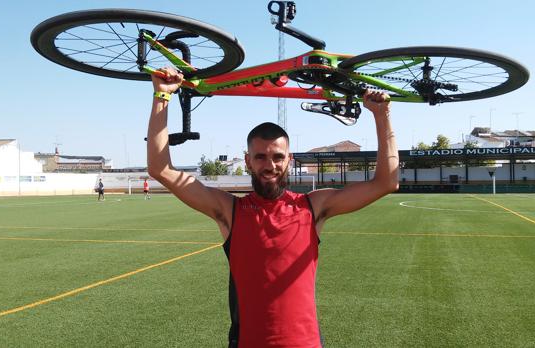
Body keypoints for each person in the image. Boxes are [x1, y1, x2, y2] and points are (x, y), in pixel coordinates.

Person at [147, 68, 399, 348]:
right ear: (248, 160)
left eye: (278, 157)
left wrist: (382, 115)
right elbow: (161, 170)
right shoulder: (230, 211)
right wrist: (162, 96)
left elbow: (386, 182)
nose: (270, 165)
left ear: (289, 159)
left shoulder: (313, 207)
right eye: (261, 157)